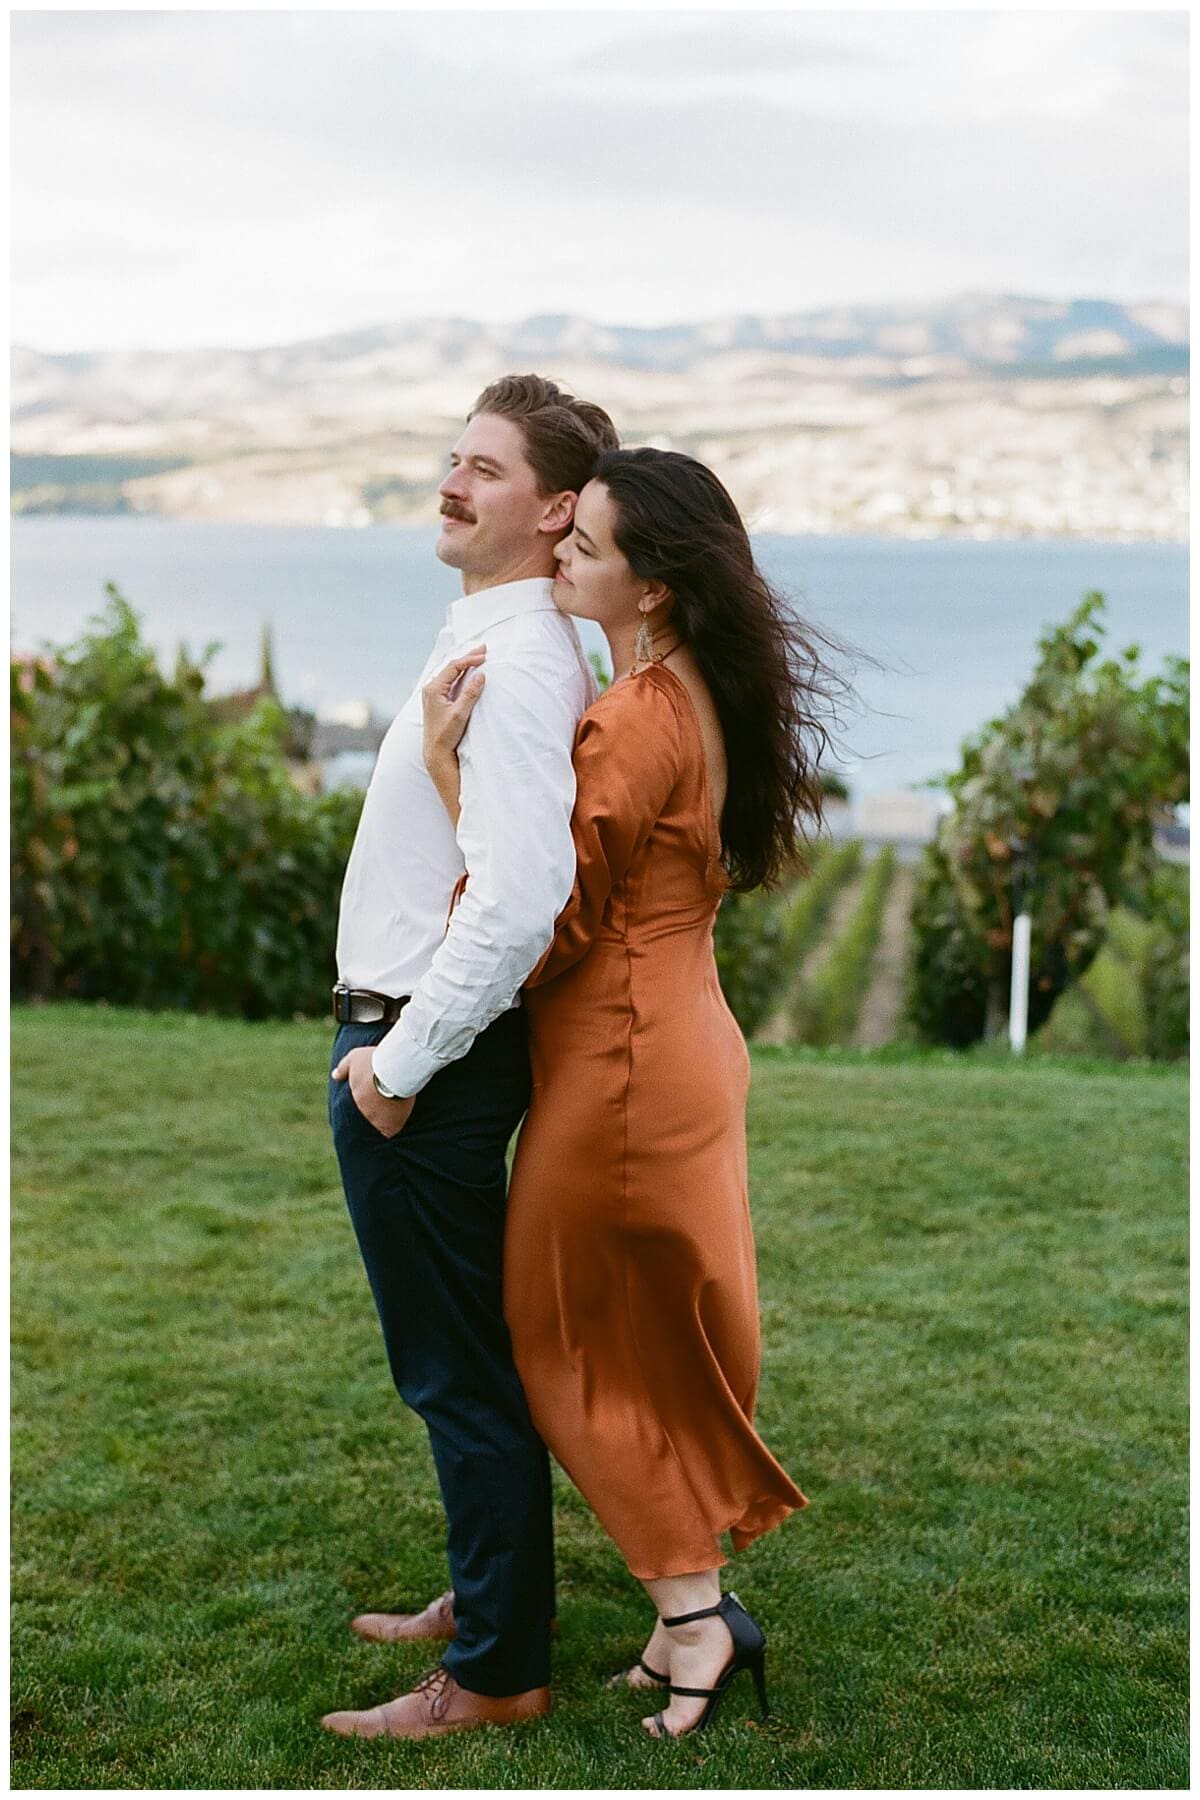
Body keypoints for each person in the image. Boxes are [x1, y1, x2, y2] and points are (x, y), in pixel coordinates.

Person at [422, 446, 841, 1740]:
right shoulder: (691, 691)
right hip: (687, 1037)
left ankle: (701, 1617)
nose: (560, 559)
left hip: (618, 1062)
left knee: (563, 1337)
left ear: (652, 585)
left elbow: (554, 914)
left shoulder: (634, 717)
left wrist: (452, 794)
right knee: (656, 1332)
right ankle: (682, 1620)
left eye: (587, 547)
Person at [320, 375, 619, 1742]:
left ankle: (498, 1672)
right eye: (453, 457)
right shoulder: (494, 633)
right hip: (410, 1040)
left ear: (554, 506)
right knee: (461, 1361)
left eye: (485, 469)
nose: (451, 482)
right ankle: (482, 1597)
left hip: (421, 1062)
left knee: (456, 1371)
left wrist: (399, 1067)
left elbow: (517, 897)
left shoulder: (521, 661)